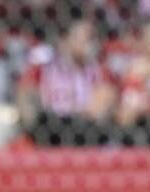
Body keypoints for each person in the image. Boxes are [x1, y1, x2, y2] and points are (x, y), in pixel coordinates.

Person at [16, 17, 118, 147]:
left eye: (90, 38)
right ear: (65, 40)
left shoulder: (98, 70)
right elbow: (24, 95)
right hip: (50, 127)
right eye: (82, 38)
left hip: (84, 129)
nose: (88, 44)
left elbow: (100, 104)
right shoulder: (45, 67)